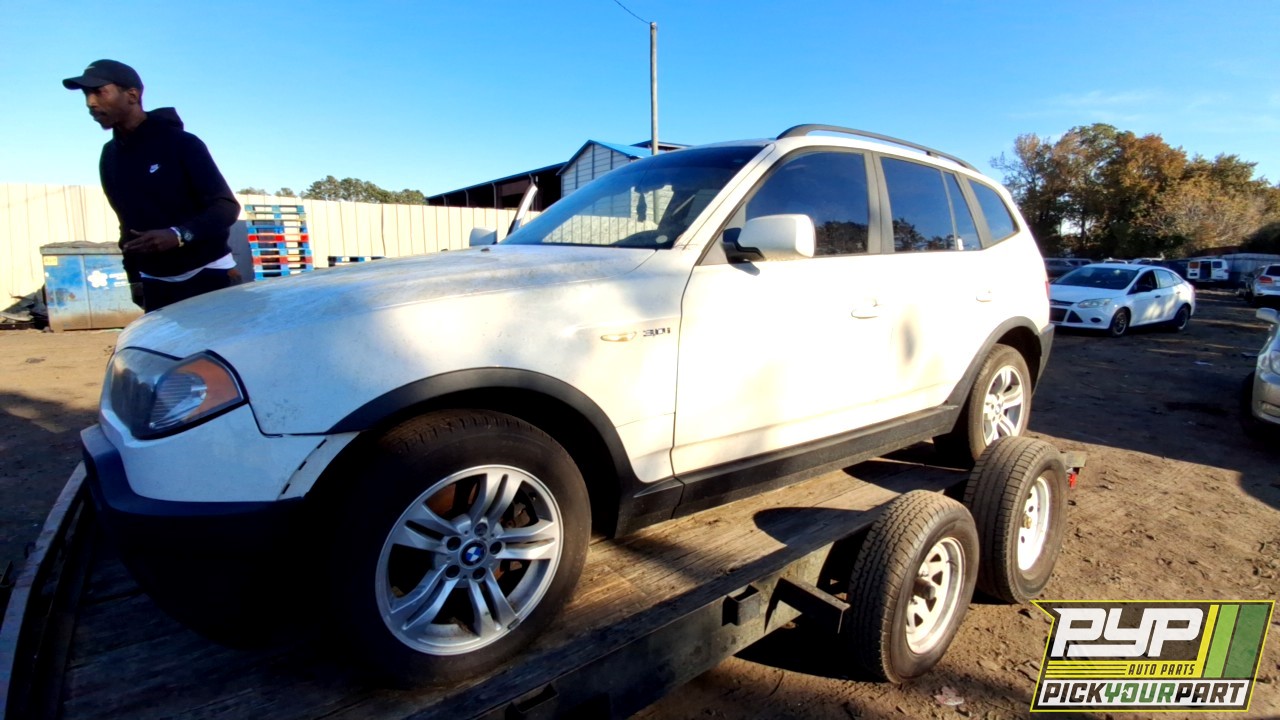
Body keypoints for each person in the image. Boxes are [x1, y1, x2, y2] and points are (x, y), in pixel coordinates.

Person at [63, 59, 240, 312]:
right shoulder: (110, 155)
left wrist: (178, 235)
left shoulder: (182, 144)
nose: (90, 102)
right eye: (86, 94)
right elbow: (127, 225)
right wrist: (134, 278)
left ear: (132, 95)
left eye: (99, 91)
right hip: (156, 285)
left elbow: (226, 207)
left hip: (209, 276)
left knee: (217, 351)